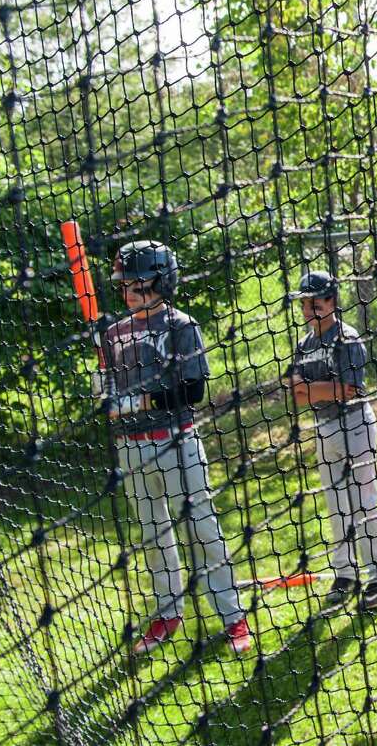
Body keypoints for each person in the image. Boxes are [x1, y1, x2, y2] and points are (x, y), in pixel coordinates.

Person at [103, 240, 250, 654]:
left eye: (138, 282)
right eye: (124, 283)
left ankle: (233, 617)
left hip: (175, 440)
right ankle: (167, 614)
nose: (129, 291)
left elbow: (194, 389)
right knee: (152, 535)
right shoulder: (113, 332)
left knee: (202, 529)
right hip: (130, 447)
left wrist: (142, 400)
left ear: (161, 282)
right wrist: (108, 396)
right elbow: (110, 392)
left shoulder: (181, 325)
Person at [284, 270, 377, 615]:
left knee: (365, 503)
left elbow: (349, 389)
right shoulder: (304, 343)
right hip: (324, 427)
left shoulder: (346, 338)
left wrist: (311, 389)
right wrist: (314, 390)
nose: (307, 310)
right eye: (304, 304)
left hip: (354, 424)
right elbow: (294, 390)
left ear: (332, 302)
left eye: (314, 303)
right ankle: (345, 573)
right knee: (337, 505)